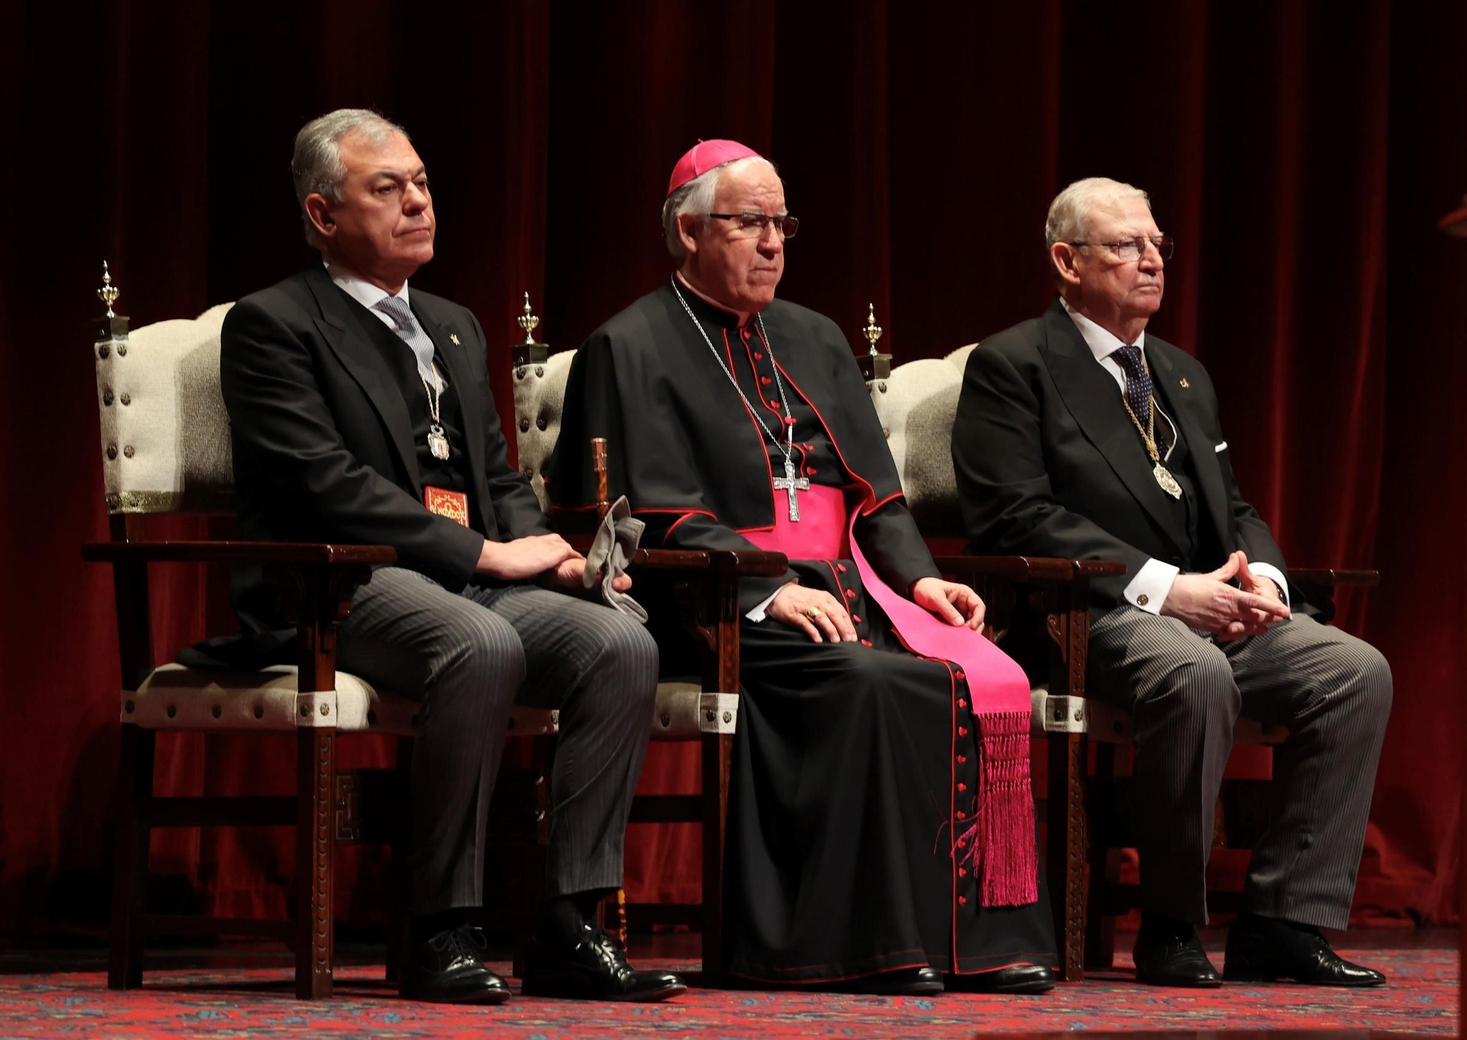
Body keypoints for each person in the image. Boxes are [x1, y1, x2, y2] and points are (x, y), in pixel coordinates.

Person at [553, 140, 1058, 996]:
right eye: (749, 222)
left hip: (850, 586)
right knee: (870, 683)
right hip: (710, 602)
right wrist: (767, 589)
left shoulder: (815, 337)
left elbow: (878, 500)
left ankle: (969, 943)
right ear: (686, 230)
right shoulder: (627, 346)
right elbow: (648, 513)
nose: (773, 241)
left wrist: (919, 580)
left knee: (970, 676)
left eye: (780, 222)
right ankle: (853, 945)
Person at [218, 108, 683, 1004]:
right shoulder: (275, 324)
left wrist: (548, 556)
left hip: (464, 576)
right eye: (386, 189)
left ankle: (569, 925)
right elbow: (326, 484)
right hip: (338, 583)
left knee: (621, 643)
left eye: (422, 183)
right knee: (480, 643)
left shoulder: (454, 324)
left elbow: (496, 475)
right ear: (322, 214)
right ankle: (441, 929)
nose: (417, 203)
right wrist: (486, 553)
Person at [951, 177, 1393, 988]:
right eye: (1126, 245)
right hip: (1090, 612)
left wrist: (1262, 576)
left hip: (1211, 606)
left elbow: (1236, 504)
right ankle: (1170, 924)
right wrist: (1166, 588)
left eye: (1157, 244)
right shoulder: (1013, 365)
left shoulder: (1181, 372)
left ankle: (1284, 922)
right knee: (1194, 673)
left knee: (1353, 671)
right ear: (1066, 260)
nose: (1151, 260)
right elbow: (1014, 516)